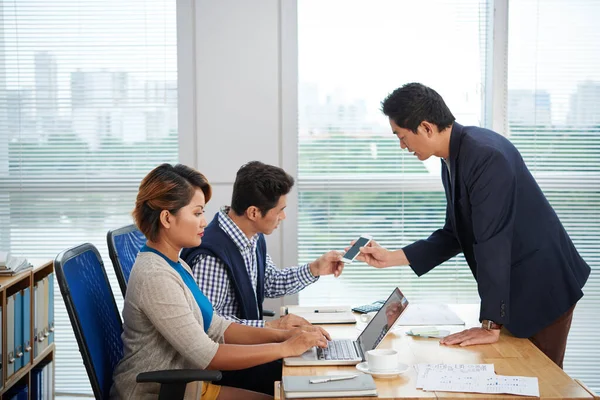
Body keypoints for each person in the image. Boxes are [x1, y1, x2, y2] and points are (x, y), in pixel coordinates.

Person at [354, 82, 590, 369]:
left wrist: (490, 323)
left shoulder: (485, 156)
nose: (402, 146)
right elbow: (454, 233)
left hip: (544, 284)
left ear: (426, 127)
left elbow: (493, 241)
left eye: (402, 137)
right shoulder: (452, 157)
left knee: (542, 379)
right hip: (516, 284)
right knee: (514, 374)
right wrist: (392, 257)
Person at [110, 163, 329, 400]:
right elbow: (205, 354)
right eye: (196, 213)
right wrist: (285, 348)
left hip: (190, 386)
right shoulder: (156, 276)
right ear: (166, 218)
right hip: (158, 393)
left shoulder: (176, 264)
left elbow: (216, 327)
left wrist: (283, 335)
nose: (204, 221)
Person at [181, 160, 344, 394]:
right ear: (254, 212)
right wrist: (273, 328)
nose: (283, 217)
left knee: (317, 366)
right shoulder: (212, 258)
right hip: (230, 367)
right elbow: (208, 328)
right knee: (313, 381)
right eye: (280, 210)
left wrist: (315, 268)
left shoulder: (251, 236)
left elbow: (269, 282)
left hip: (252, 351)